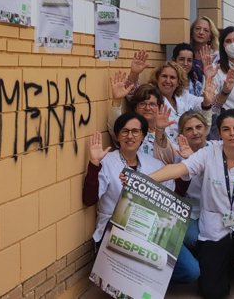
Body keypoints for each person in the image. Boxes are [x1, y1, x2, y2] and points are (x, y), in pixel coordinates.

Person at [149, 109, 234, 299]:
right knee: (212, 292)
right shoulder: (208, 153)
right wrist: (144, 178)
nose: (232, 133)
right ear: (219, 132)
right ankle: (224, 262)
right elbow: (178, 168)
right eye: (226, 129)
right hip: (216, 225)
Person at [83, 113, 201, 284]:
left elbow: (176, 193)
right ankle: (131, 280)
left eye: (136, 132)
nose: (130, 136)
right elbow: (89, 200)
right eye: (124, 131)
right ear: (117, 135)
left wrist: (187, 163)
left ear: (144, 136)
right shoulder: (107, 161)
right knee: (125, 281)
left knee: (191, 271)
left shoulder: (153, 163)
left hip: (151, 228)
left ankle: (149, 281)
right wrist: (94, 165)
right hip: (116, 228)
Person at [176, 110, 212, 254]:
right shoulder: (178, 155)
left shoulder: (218, 149)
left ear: (206, 128)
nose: (195, 132)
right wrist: (188, 161)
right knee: (193, 238)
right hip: (191, 209)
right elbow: (178, 191)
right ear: (182, 133)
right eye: (189, 129)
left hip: (216, 207)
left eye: (198, 127)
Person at [191, 16, 220, 83]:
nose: (201, 32)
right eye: (197, 29)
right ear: (192, 33)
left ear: (210, 37)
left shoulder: (216, 55)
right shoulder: (186, 52)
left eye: (206, 30)